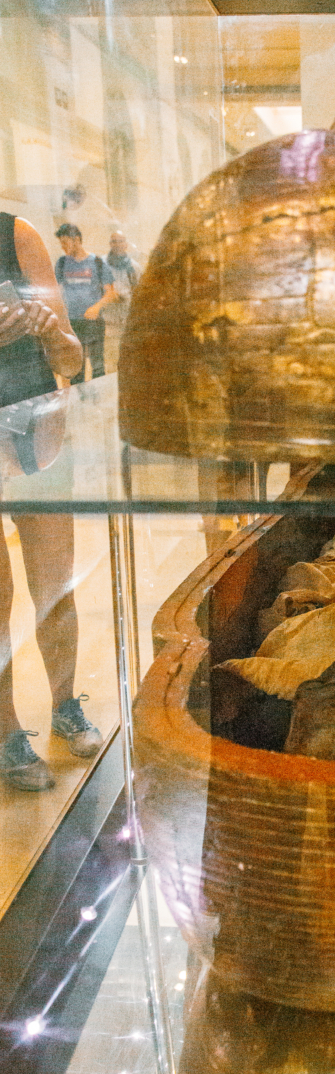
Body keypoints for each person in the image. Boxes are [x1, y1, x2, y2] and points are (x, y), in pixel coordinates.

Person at [0, 213, 102, 790]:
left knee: (54, 586)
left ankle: (65, 704)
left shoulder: (17, 235)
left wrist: (45, 330)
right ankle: (7, 731)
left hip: (38, 437)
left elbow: (69, 361)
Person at [54, 223, 116, 384]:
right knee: (77, 367)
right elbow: (56, 293)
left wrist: (96, 307)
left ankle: (99, 403)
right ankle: (79, 402)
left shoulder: (97, 263)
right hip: (72, 323)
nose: (62, 247)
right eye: (60, 243)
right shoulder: (61, 264)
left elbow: (111, 294)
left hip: (93, 323)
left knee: (97, 365)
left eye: (65, 242)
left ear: (76, 240)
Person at [105, 230, 141, 372]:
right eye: (114, 241)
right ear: (110, 244)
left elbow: (140, 294)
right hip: (109, 327)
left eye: (121, 241)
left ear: (126, 244)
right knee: (111, 365)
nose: (118, 244)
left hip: (129, 325)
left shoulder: (135, 267)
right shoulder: (102, 266)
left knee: (132, 364)